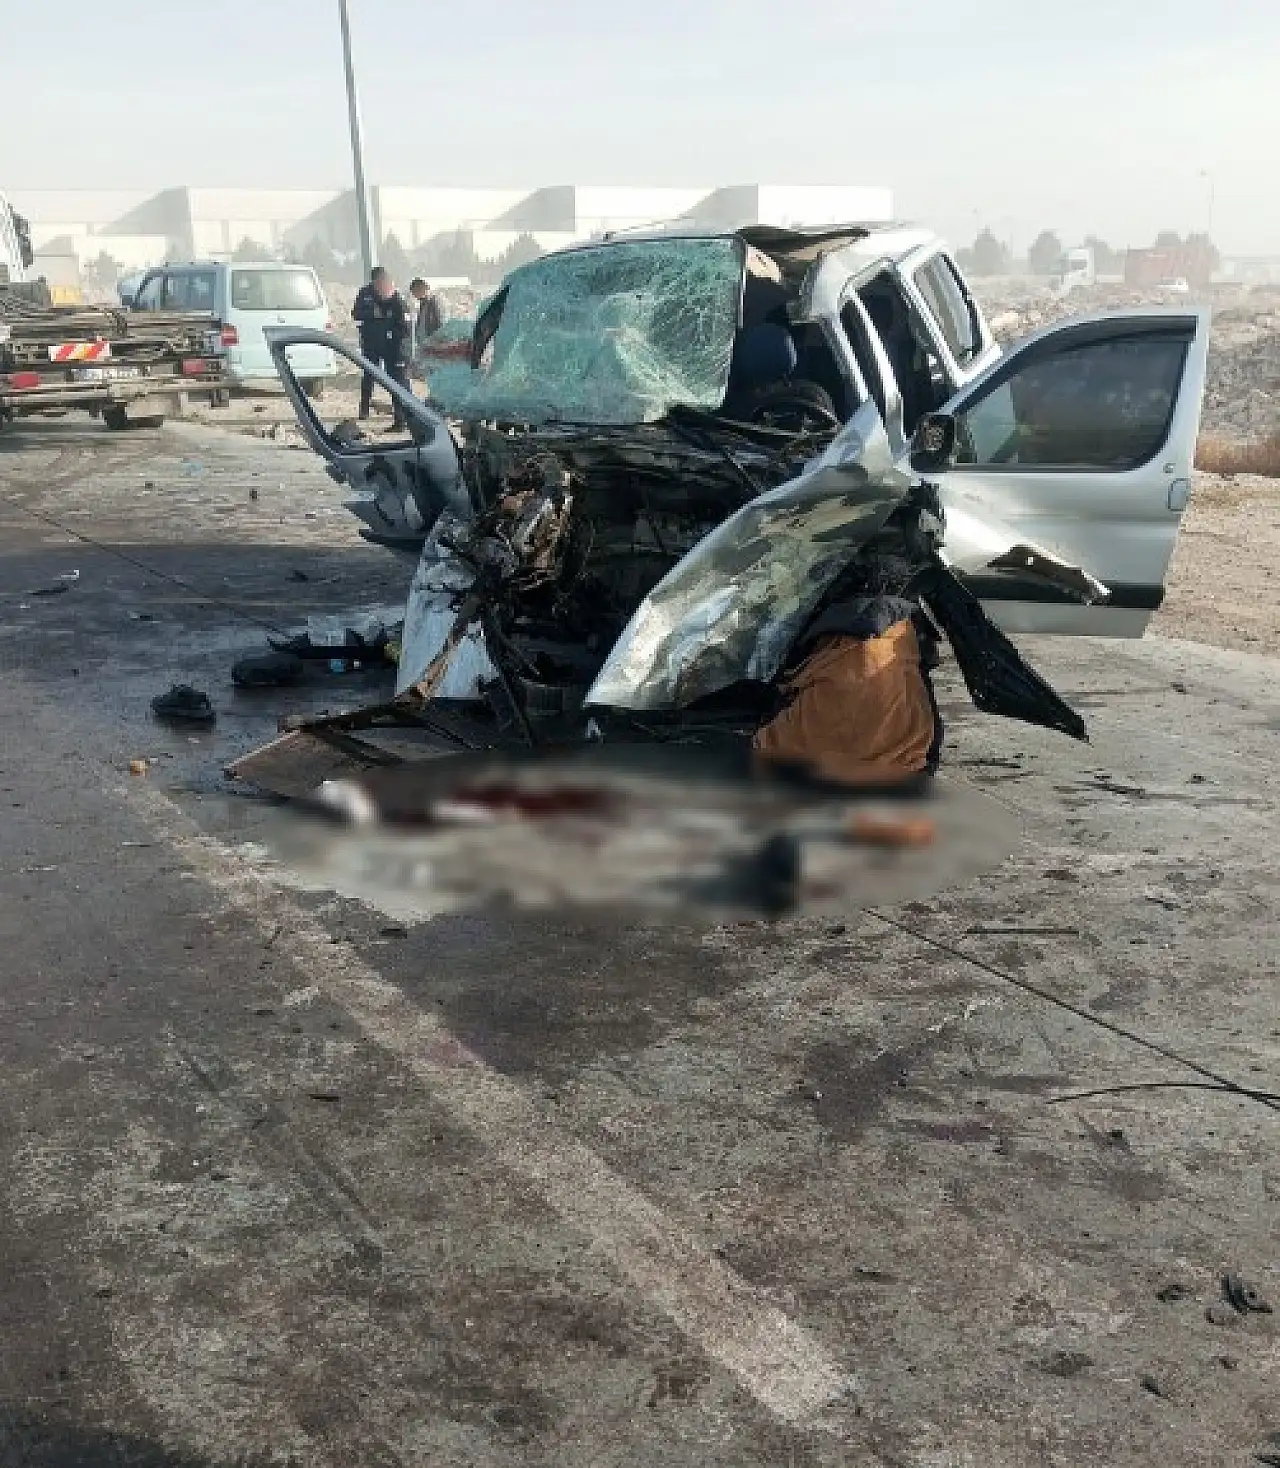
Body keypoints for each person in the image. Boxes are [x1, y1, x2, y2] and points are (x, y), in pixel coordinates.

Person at [352, 265, 412, 429]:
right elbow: (356, 313)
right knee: (369, 374)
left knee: (397, 381)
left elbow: (404, 327)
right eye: (376, 283)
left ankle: (404, 418)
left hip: (393, 348)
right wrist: (372, 314)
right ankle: (365, 409)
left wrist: (391, 335)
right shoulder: (365, 293)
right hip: (371, 343)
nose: (378, 287)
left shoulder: (396, 299)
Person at [408, 277, 444, 372]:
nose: (414, 296)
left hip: (432, 342)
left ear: (420, 289)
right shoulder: (423, 303)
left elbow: (439, 322)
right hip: (425, 341)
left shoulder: (434, 302)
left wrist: (436, 340)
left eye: (414, 293)